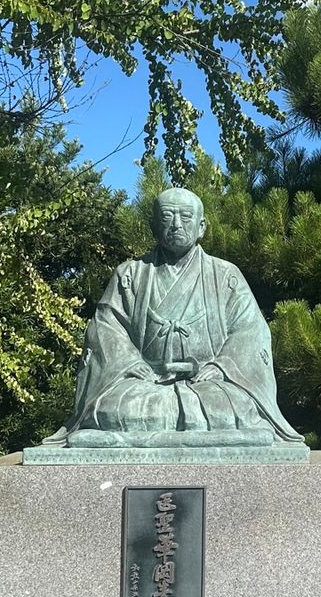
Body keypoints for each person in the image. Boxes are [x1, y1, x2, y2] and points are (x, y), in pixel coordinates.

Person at [46, 187, 304, 448]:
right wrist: (129, 362)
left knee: (232, 408)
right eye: (167, 217)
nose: (176, 225)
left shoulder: (225, 276)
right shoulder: (130, 274)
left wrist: (221, 366)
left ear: (202, 226)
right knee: (114, 409)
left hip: (211, 384)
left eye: (186, 217)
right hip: (144, 384)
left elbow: (250, 331)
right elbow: (105, 328)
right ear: (154, 226)